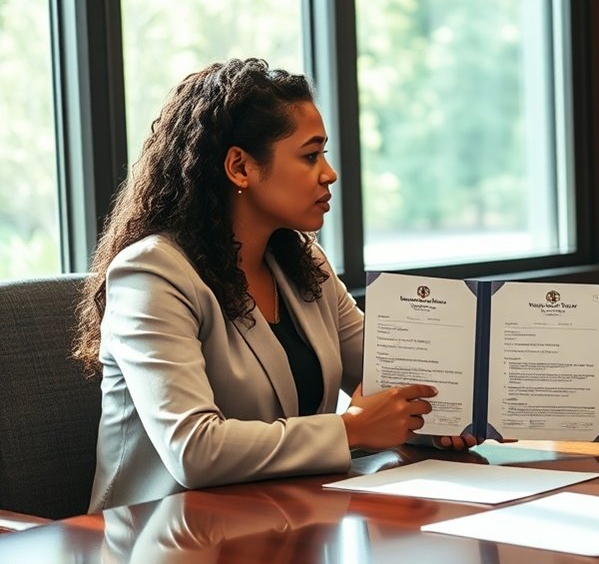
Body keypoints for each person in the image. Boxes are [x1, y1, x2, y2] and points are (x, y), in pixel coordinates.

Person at [73, 58, 476, 512]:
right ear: (240, 167)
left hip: (288, 522)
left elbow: (390, 370)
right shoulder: (150, 275)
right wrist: (351, 430)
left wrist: (453, 411)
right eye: (310, 155)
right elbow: (194, 450)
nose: (329, 173)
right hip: (164, 536)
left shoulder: (302, 262)